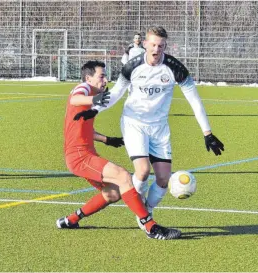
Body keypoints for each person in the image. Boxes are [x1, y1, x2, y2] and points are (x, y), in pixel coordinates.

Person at [76, 26, 225, 230]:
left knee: (163, 179)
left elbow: (195, 100)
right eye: (153, 44)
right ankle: (145, 219)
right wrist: (94, 110)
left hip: (159, 128)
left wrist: (207, 133)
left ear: (165, 46)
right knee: (143, 171)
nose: (157, 49)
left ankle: (147, 209)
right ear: (145, 44)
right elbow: (117, 93)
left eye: (161, 46)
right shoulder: (132, 66)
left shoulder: (175, 68)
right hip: (134, 123)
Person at [56, 60, 181, 240]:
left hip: (84, 155)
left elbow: (82, 129)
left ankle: (71, 220)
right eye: (101, 76)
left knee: (113, 193)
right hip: (79, 157)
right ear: (88, 77)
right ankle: (150, 226)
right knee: (123, 177)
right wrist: (94, 99)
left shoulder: (90, 95)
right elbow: (75, 98)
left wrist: (106, 139)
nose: (105, 80)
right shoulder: (83, 88)